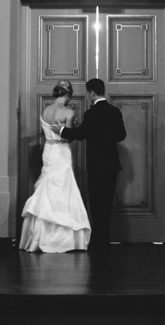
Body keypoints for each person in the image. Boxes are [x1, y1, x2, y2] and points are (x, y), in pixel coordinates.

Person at [19, 80, 91, 252]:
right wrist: (76, 128)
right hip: (61, 151)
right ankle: (63, 238)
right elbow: (68, 137)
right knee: (63, 188)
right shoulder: (68, 111)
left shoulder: (46, 110)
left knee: (48, 185)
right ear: (68, 94)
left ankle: (40, 235)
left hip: (48, 151)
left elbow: (47, 131)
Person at [56, 78, 126, 251]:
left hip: (96, 165)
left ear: (92, 93)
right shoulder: (115, 112)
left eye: (88, 93)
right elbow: (121, 135)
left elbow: (81, 134)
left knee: (96, 203)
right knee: (107, 203)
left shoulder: (92, 113)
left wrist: (63, 130)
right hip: (111, 164)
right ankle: (105, 239)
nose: (87, 96)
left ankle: (98, 240)